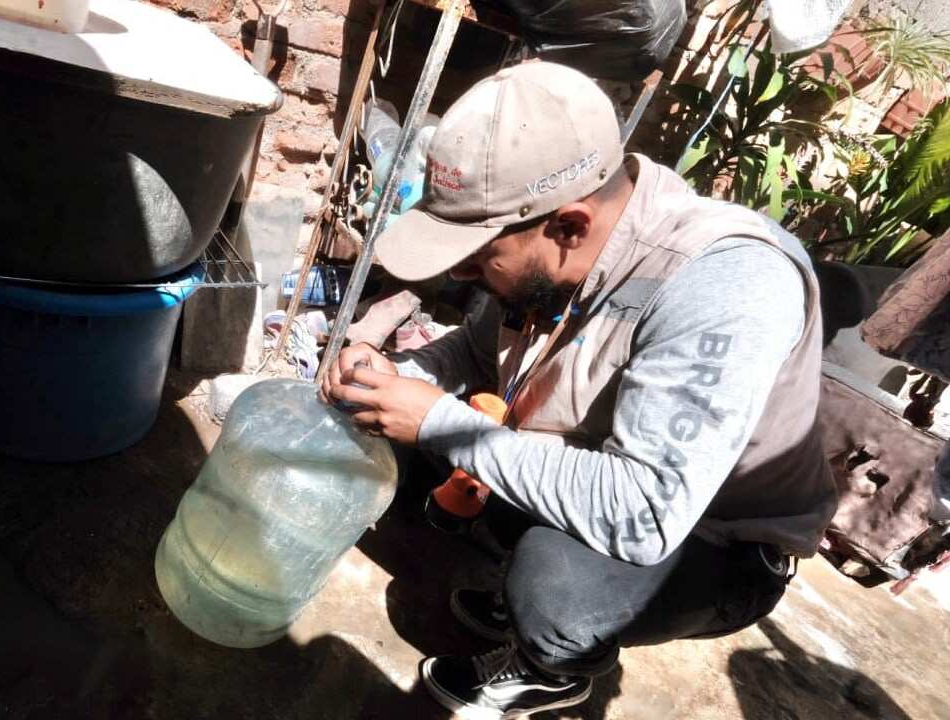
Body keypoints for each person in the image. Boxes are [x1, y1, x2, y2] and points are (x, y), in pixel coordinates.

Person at [322, 61, 838, 718]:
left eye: (481, 257)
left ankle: (552, 663)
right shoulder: (551, 260)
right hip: (600, 469)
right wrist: (397, 381)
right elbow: (477, 350)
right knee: (428, 446)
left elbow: (646, 514)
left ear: (568, 226)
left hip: (714, 539)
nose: (465, 273)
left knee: (556, 582)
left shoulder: (728, 283)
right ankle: (520, 585)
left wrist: (435, 422)